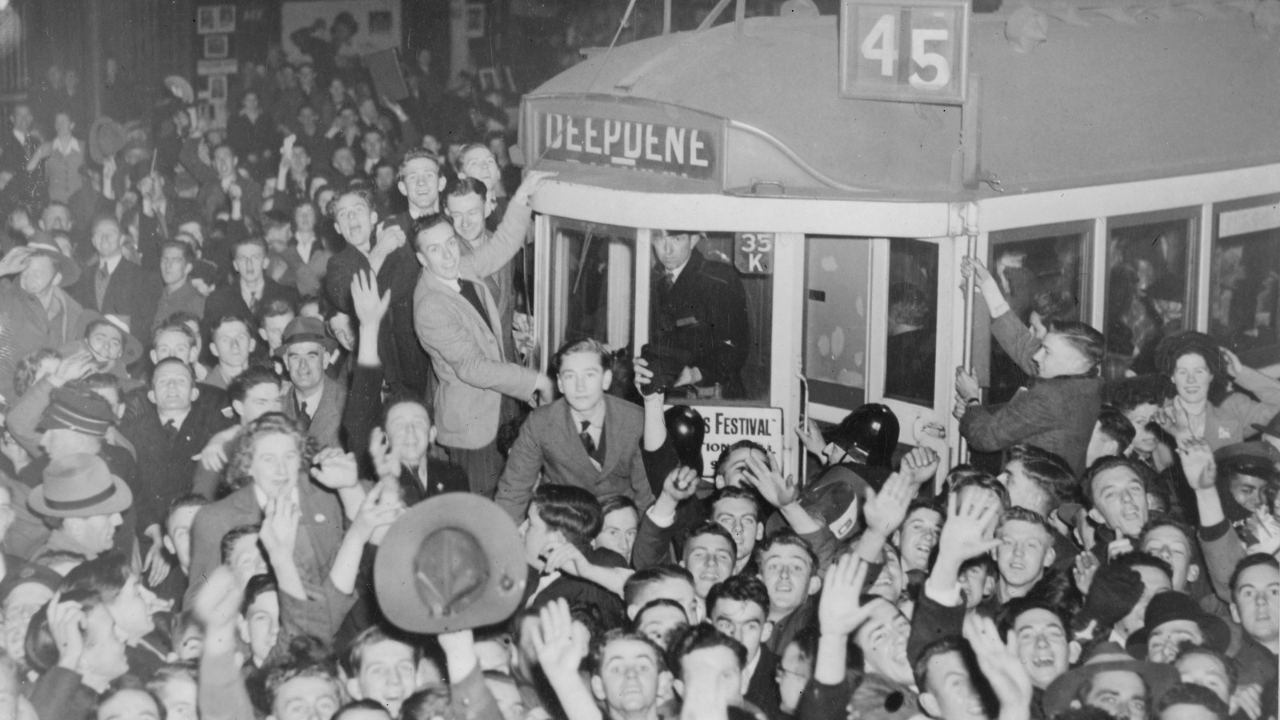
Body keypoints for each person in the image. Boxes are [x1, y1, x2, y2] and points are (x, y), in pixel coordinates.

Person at [412, 172, 555, 497]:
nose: (448, 254)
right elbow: (474, 368)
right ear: (422, 258)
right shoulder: (431, 306)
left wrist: (520, 199)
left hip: (498, 406)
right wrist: (537, 381)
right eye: (436, 249)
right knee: (481, 510)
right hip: (472, 428)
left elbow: (501, 246)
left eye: (451, 244)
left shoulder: (459, 267)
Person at [957, 257, 1105, 476]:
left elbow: (987, 437)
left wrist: (972, 401)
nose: (1037, 355)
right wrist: (987, 283)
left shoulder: (1052, 397)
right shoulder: (1085, 379)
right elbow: (1022, 343)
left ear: (1076, 363)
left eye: (1047, 352)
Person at [184, 413, 349, 607]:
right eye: (268, 459)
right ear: (248, 466)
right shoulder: (216, 519)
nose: (281, 470)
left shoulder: (327, 495)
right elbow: (198, 604)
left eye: (289, 456)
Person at [497, 338, 653, 520]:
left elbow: (648, 499)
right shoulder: (540, 423)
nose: (580, 387)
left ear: (606, 379)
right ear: (560, 383)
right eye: (570, 376)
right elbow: (513, 490)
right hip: (565, 521)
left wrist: (642, 546)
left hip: (620, 525)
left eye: (590, 375)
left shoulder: (635, 421)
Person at [649, 229, 751, 399]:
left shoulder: (720, 280)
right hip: (663, 394)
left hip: (712, 397)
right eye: (660, 239)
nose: (667, 249)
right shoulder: (650, 279)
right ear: (652, 241)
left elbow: (736, 349)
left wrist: (695, 373)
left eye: (677, 239)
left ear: (694, 240)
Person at [0, 240, 93, 402]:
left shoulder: (72, 312)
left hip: (45, 409)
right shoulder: (6, 295)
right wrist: (2, 268)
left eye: (37, 274)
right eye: (25, 272)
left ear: (56, 279)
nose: (28, 279)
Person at [1154, 332, 1280, 450]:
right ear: (1172, 376)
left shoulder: (1232, 407)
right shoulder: (1161, 417)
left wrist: (1240, 373)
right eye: (1182, 372)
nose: (1191, 380)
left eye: (1199, 371)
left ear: (1211, 375)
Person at [68, 215, 160, 348]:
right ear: (93, 241)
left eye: (110, 233)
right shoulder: (83, 276)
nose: (104, 238)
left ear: (121, 239)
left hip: (126, 354)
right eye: (99, 233)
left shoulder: (142, 276)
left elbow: (146, 325)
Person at [28, 453, 131, 563]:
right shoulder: (73, 572)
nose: (119, 521)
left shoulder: (71, 559)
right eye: (109, 515)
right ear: (76, 527)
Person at [202, 236, 300, 348]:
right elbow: (207, 344)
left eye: (256, 258)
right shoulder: (218, 300)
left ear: (265, 263)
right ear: (235, 265)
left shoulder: (289, 296)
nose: (249, 264)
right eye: (243, 259)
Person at [706, 575, 781, 717]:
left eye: (750, 626)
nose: (737, 638)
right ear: (709, 628)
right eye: (726, 625)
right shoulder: (695, 676)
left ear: (765, 631)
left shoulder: (785, 683)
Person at [277, 315, 347, 448]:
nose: (303, 365)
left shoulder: (347, 404)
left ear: (325, 360)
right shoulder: (276, 408)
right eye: (295, 357)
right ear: (286, 362)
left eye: (311, 356)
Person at [153, 241, 206, 330]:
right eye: (164, 260)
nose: (168, 266)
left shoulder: (195, 302)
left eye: (175, 260)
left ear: (188, 268)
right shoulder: (154, 295)